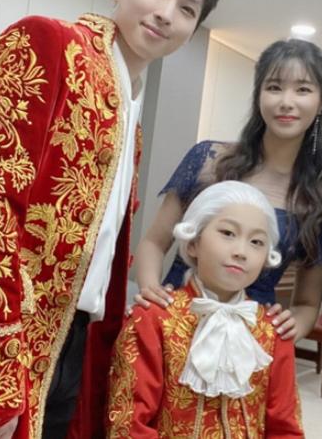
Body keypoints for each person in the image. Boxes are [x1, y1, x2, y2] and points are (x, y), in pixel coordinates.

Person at [0, 0, 223, 439]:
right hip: (8, 338)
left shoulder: (130, 109)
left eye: (188, 9)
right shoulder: (47, 43)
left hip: (74, 342)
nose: (166, 13)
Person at [135, 38, 322, 342]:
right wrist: (150, 288)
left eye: (303, 90)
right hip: (173, 324)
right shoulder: (208, 160)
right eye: (274, 87)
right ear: (258, 95)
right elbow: (154, 242)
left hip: (246, 341)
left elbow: (307, 304)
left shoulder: (321, 207)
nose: (286, 101)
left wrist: (291, 327)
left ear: (321, 101)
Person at [107, 181, 305, 438]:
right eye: (228, 233)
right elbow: (128, 425)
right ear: (193, 243)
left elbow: (286, 428)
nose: (241, 252)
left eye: (256, 241)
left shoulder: (273, 331)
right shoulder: (153, 319)